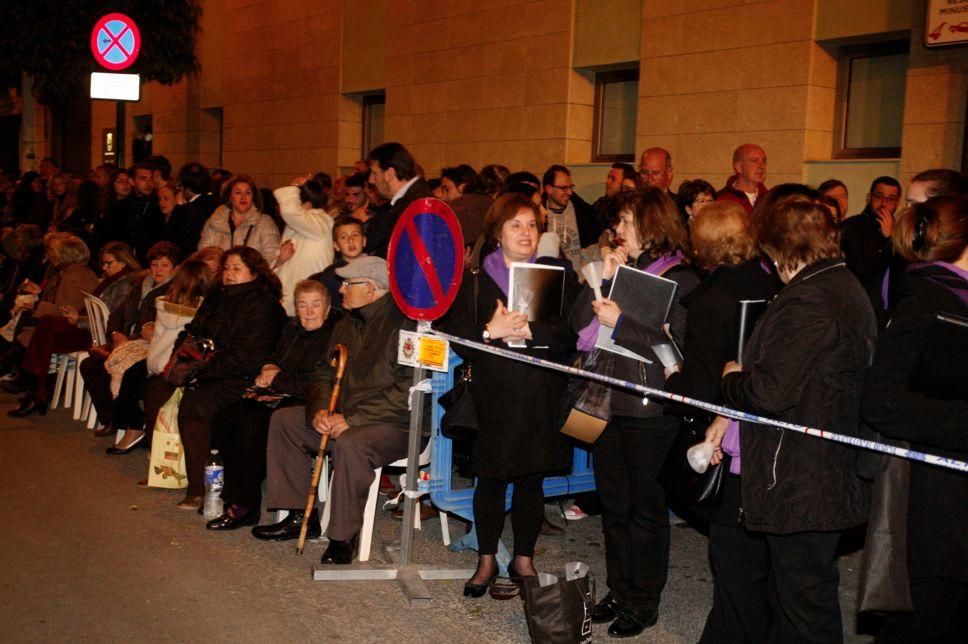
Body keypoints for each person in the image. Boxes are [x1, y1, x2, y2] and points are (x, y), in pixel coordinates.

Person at [712, 196, 875, 642]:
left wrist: (732, 378)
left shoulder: (812, 298)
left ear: (782, 246)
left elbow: (768, 391)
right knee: (797, 599)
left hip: (805, 478)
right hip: (819, 470)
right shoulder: (840, 284)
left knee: (806, 607)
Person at [570, 186, 699, 637]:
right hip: (609, 399)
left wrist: (622, 323)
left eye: (625, 222)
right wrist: (602, 280)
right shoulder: (621, 268)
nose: (617, 230)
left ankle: (644, 600)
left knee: (645, 508)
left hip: (650, 409)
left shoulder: (682, 279)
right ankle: (620, 589)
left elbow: (678, 352)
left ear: (650, 225)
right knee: (614, 503)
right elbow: (576, 324)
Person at [439, 193, 578, 598]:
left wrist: (533, 331)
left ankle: (523, 557)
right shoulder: (476, 280)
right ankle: (485, 559)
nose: (526, 232)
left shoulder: (555, 275)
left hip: (540, 393)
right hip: (493, 395)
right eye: (516, 224)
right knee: (491, 479)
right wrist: (490, 334)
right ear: (498, 232)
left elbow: (570, 333)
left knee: (532, 479)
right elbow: (457, 336)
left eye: (532, 225)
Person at [252, 256, 420, 564]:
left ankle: (342, 536)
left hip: (396, 424)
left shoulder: (405, 325)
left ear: (371, 289)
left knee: (351, 442)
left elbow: (408, 391)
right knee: (286, 420)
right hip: (344, 415)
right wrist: (318, 410)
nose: (341, 290)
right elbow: (323, 373)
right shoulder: (346, 323)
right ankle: (297, 514)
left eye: (348, 284)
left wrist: (352, 419)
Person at [861, 196, 968, 642]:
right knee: (924, 616)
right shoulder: (927, 300)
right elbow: (882, 400)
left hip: (953, 485)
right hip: (934, 493)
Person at [148, 247, 285, 509]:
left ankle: (200, 487)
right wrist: (182, 358)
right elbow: (193, 330)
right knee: (156, 386)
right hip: (208, 369)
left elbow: (250, 354)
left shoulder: (263, 304)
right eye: (226, 268)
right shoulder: (217, 296)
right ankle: (163, 469)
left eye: (237, 269)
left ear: (254, 273)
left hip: (241, 376)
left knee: (196, 403)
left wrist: (201, 371)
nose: (229, 274)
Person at [205, 280, 338, 530]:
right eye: (303, 305)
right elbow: (275, 357)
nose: (309, 312)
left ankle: (244, 505)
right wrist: (267, 367)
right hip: (279, 392)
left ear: (328, 308)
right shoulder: (292, 329)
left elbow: (318, 381)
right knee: (226, 417)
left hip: (307, 400)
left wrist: (277, 378)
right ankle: (230, 495)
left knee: (253, 425)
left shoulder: (333, 336)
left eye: (316, 305)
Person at [103, 258, 215, 455]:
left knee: (131, 377)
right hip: (177, 365)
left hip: (156, 362)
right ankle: (139, 431)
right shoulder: (205, 311)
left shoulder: (164, 304)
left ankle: (132, 426)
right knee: (134, 379)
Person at [81, 242, 181, 445]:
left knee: (124, 370)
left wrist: (138, 335)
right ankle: (110, 418)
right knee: (89, 366)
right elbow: (117, 313)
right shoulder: (139, 283)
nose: (158, 270)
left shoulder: (176, 291)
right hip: (127, 339)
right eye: (154, 264)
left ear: (175, 268)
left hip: (149, 345)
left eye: (164, 265)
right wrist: (116, 333)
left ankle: (132, 423)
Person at [5, 233, 99, 417]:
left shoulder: (80, 275)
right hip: (59, 329)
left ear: (66, 254)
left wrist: (37, 305)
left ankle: (32, 386)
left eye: (52, 251)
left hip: (80, 330)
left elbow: (67, 310)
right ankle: (35, 390)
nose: (49, 255)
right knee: (44, 332)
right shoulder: (62, 273)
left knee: (46, 329)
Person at [272, 175, 335, 316]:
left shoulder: (321, 223)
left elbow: (289, 211)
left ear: (305, 204)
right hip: (289, 303)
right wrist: (280, 260)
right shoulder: (295, 225)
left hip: (309, 304)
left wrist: (294, 186)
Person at [364, 142, 431, 258]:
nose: (371, 180)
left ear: (390, 173)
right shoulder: (407, 202)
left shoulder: (417, 206)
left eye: (375, 173)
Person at [198, 175, 281, 265]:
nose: (243, 197)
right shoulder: (212, 223)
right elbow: (203, 257)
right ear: (229, 197)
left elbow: (271, 257)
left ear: (253, 197)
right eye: (238, 193)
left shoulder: (265, 223)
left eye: (248, 193)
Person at [309, 216, 367, 310]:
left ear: (364, 241)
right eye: (343, 237)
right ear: (336, 246)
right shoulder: (331, 275)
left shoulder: (378, 267)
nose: (351, 240)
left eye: (355, 235)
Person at [164, 162, 219, 258]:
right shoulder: (219, 205)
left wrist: (177, 208)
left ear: (185, 187)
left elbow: (170, 243)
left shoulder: (184, 211)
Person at [717, 144, 768, 213]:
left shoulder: (771, 200)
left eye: (764, 161)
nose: (761, 166)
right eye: (754, 161)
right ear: (739, 167)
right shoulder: (721, 201)